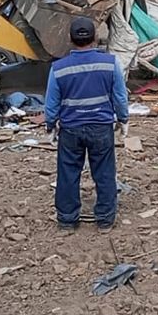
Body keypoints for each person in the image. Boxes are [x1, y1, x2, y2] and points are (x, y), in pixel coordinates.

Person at [45, 17, 129, 235]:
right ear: (95, 38)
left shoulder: (58, 68)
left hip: (71, 129)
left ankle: (67, 221)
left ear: (71, 39)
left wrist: (50, 124)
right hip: (101, 128)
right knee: (104, 173)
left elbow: (51, 102)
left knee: (68, 174)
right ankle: (105, 220)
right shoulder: (111, 63)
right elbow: (120, 96)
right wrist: (123, 119)